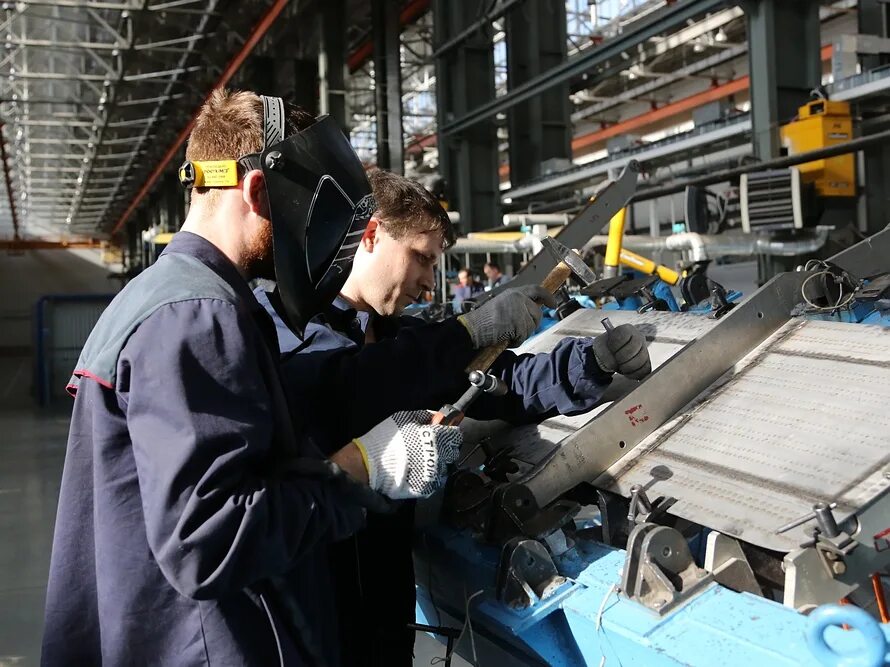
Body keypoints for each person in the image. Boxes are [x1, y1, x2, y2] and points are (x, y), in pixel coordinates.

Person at [41, 90, 467, 667]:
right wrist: (361, 467)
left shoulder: (167, 297)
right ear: (258, 191)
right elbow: (207, 542)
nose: (326, 239)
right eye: (312, 210)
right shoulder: (197, 315)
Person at [256, 169, 652, 666]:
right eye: (421, 257)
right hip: (307, 610)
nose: (427, 281)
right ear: (372, 234)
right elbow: (347, 387)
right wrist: (466, 331)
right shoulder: (286, 325)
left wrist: (592, 361)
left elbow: (506, 386)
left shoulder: (407, 341)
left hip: (382, 611)